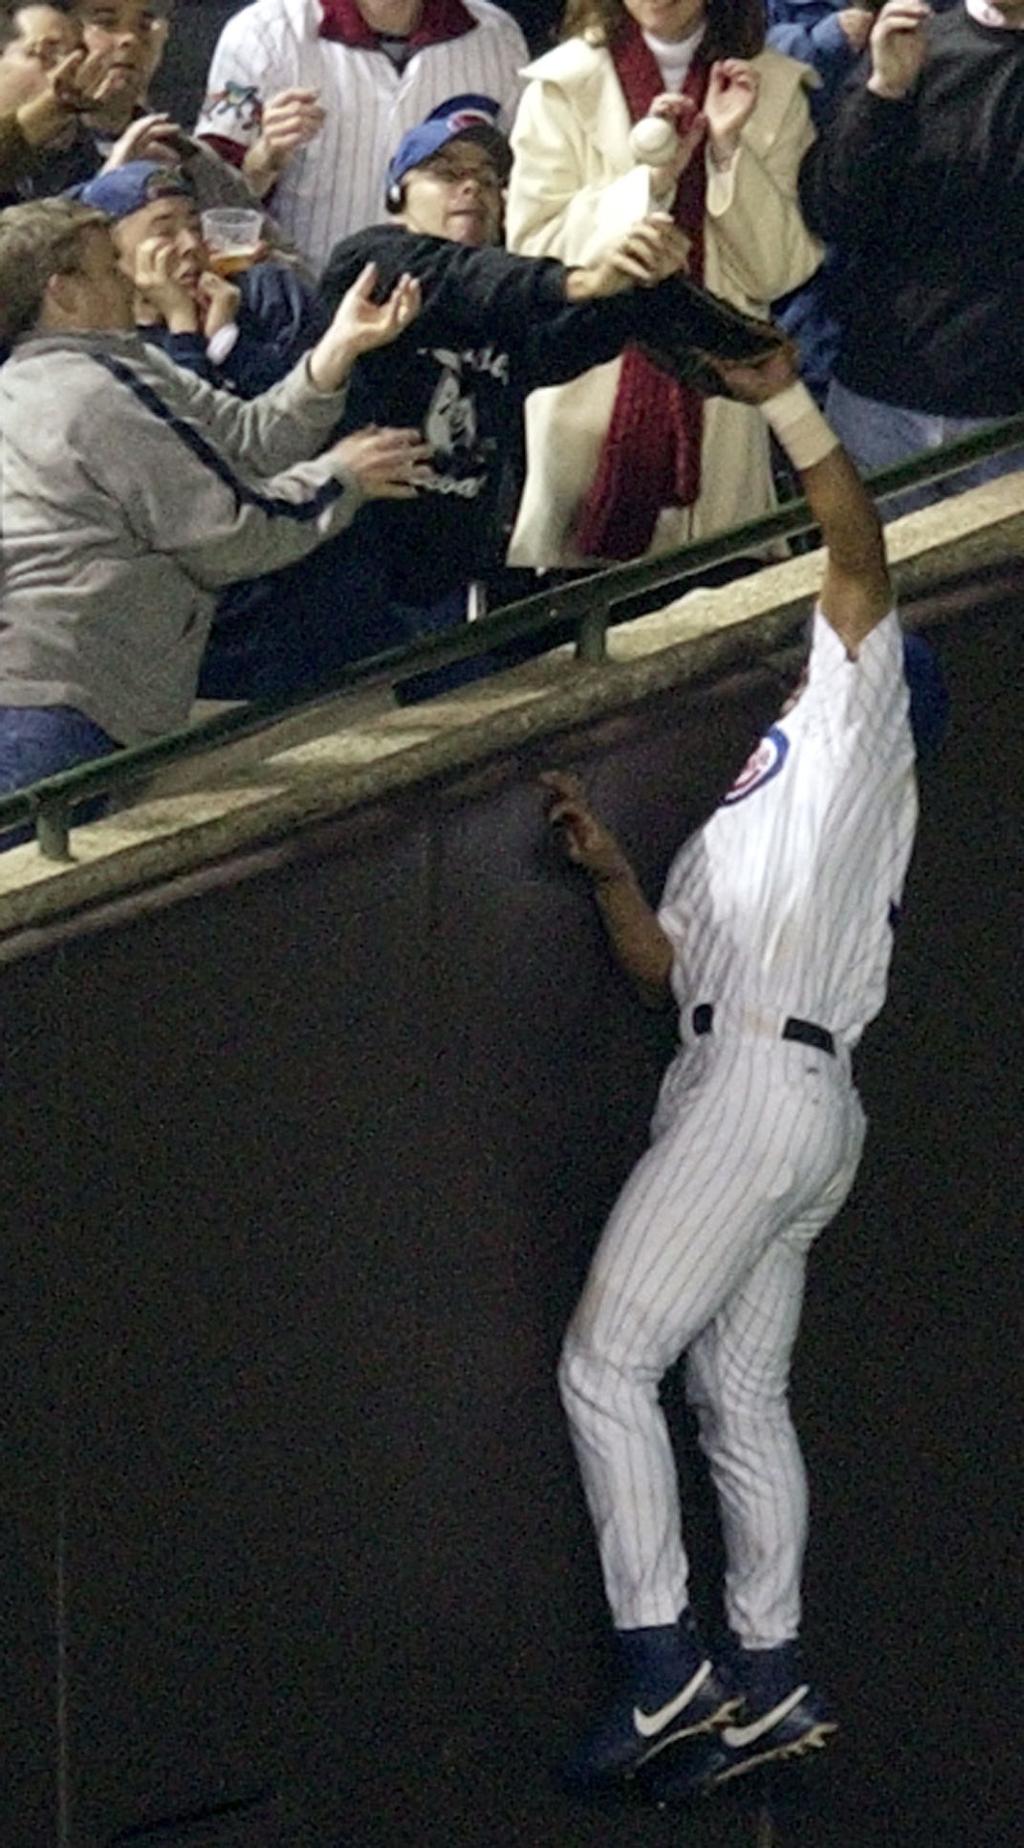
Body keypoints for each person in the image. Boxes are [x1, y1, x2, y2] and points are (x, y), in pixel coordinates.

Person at [542, 343, 946, 1792]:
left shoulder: (854, 734)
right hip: (785, 1090)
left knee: (605, 1367)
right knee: (738, 1401)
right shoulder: (767, 803)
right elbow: (671, 979)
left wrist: (785, 401)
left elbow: (859, 558)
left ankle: (664, 1671)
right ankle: (770, 1676)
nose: (821, 650)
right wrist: (607, 880)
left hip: (766, 1092)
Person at [0, 197, 429, 838]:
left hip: (60, 698)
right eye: (109, 267)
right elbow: (228, 532)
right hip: (60, 709)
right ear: (63, 294)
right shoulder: (89, 395)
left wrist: (334, 351)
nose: (128, 277)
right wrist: (342, 478)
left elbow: (244, 438)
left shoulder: (110, 367)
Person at [316, 94, 781, 684]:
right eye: (446, 173)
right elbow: (459, 276)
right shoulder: (367, 261)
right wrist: (581, 278)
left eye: (488, 179)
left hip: (444, 588)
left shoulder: (507, 309)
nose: (472, 189)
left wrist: (660, 283)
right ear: (396, 196)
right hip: (341, 573)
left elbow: (590, 327)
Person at [504, 0, 823, 568]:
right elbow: (532, 254)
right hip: (586, 402)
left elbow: (781, 270)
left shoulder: (774, 83)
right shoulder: (560, 82)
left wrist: (726, 154)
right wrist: (647, 186)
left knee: (725, 631)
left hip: (721, 409)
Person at [800, 0, 1024, 513]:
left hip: (1007, 416)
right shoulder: (913, 46)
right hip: (880, 397)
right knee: (872, 589)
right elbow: (831, 211)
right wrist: (883, 93)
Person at [195, 0, 529, 274]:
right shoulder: (263, 32)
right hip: (309, 306)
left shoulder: (497, 37)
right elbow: (207, 204)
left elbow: (522, 190)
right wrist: (263, 160)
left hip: (452, 304)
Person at [75, 158, 325, 393]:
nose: (191, 244)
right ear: (108, 250)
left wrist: (227, 341)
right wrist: (182, 325)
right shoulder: (109, 343)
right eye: (165, 232)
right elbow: (185, 427)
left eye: (195, 227)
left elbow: (317, 401)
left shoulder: (269, 292)